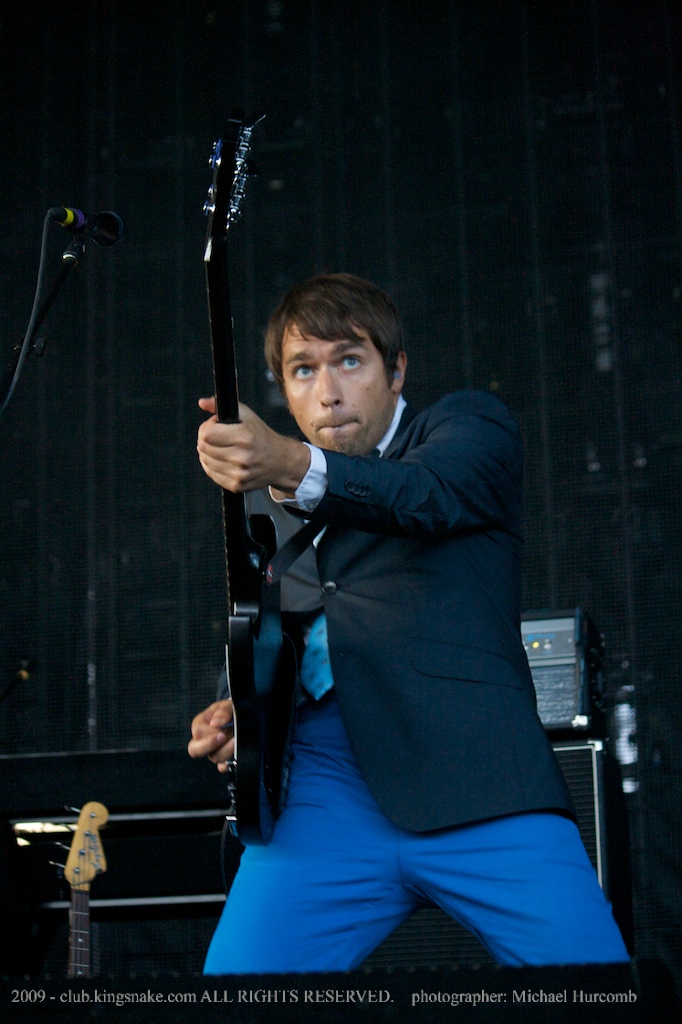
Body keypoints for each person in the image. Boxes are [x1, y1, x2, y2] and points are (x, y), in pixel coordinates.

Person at [188, 272, 629, 974]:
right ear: (284, 390)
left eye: (349, 361)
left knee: (594, 993)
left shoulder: (466, 428)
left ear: (396, 371)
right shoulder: (267, 503)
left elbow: (424, 495)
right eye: (303, 370)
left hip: (478, 779)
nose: (328, 392)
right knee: (236, 998)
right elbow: (272, 630)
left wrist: (290, 462)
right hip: (323, 792)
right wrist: (238, 709)